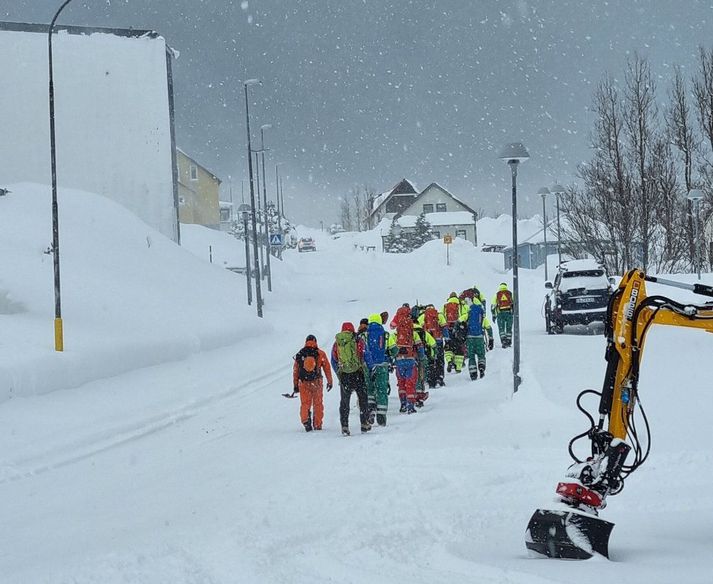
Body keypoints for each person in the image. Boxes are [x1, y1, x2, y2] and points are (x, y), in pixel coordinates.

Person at [331, 322, 370, 436]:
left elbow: (333, 360)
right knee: (363, 399)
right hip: (358, 373)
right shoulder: (358, 340)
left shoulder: (337, 343)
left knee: (344, 402)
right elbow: (366, 355)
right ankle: (364, 423)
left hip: (345, 376)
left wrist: (340, 373)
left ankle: (344, 426)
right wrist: (369, 368)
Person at [292, 334, 333, 432]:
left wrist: (295, 385)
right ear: (315, 341)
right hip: (317, 382)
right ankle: (317, 424)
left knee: (305, 403)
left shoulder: (301, 354)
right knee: (318, 404)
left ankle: (306, 421)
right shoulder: (320, 353)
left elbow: (295, 371)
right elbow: (327, 368)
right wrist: (330, 381)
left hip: (304, 383)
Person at [364, 313, 390, 426]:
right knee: (381, 390)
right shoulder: (385, 335)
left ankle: (370, 410)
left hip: (368, 366)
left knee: (369, 389)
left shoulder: (364, 335)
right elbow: (393, 350)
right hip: (382, 366)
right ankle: (381, 416)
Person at [419, 303, 447, 387]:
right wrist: (447, 339)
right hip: (438, 341)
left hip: (427, 343)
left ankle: (430, 380)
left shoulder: (422, 317)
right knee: (440, 360)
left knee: (429, 361)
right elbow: (445, 328)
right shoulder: (439, 316)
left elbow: (418, 329)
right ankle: (440, 378)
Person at [461, 297, 486, 380]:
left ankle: (473, 374)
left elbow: (460, 320)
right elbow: (485, 324)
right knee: (481, 354)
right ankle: (481, 367)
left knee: (471, 356)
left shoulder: (468, 311)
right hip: (479, 337)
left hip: (470, 337)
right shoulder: (481, 311)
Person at [413, 319, 436, 406]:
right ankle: (419, 396)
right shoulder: (423, 332)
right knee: (420, 376)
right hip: (420, 357)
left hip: (409, 357)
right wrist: (433, 355)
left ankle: (410, 396)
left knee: (411, 378)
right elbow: (433, 343)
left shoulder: (405, 331)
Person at [491, 282, 514, 348]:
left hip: (500, 314)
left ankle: (503, 341)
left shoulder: (497, 295)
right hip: (508, 313)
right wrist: (513, 313)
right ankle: (508, 342)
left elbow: (493, 306)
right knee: (509, 328)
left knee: (501, 329)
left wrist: (493, 315)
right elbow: (514, 303)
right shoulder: (509, 294)